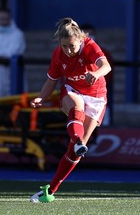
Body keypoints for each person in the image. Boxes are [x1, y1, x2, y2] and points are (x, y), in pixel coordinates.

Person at [29, 17, 111, 203]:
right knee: (76, 108)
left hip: (97, 96)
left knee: (75, 153)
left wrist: (96, 74)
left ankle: (50, 191)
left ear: (80, 40)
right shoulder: (58, 54)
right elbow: (52, 80)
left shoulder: (90, 45)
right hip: (73, 90)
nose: (68, 50)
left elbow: (106, 66)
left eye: (72, 46)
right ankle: (77, 140)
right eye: (64, 46)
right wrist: (42, 97)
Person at [79, 23, 114, 126]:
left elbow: (107, 73)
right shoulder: (69, 54)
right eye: (84, 33)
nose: (87, 36)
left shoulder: (104, 54)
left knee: (100, 122)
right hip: (79, 95)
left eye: (90, 33)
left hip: (98, 95)